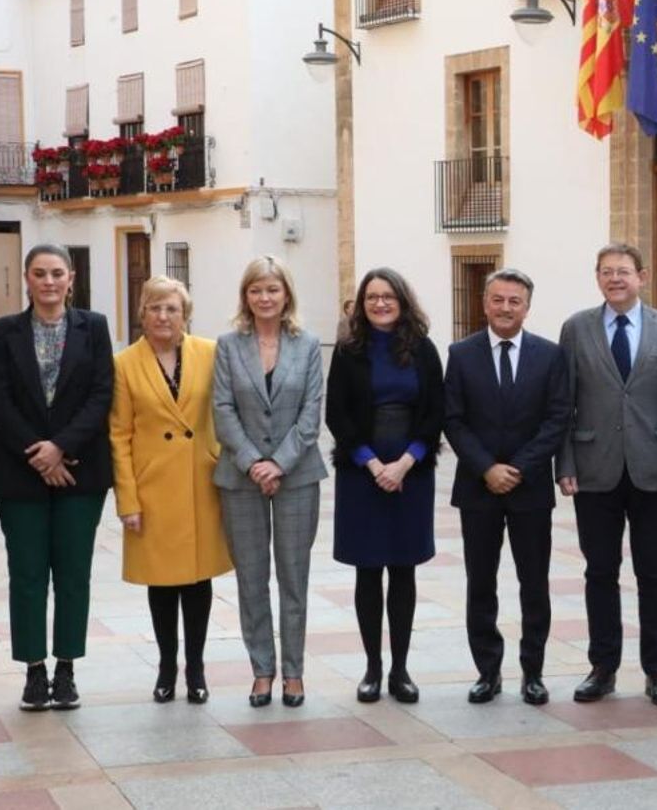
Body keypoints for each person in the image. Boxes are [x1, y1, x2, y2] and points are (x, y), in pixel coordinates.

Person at [556, 244, 657, 707]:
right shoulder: (576, 329)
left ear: (643, 276)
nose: (616, 279)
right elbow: (563, 403)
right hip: (595, 470)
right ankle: (603, 667)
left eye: (624, 272)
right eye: (607, 272)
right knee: (600, 572)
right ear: (597, 278)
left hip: (656, 470)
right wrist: (565, 463)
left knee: (655, 573)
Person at [0, 244, 114, 711]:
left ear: (71, 277)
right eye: (39, 273)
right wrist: (40, 454)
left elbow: (102, 394)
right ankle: (34, 671)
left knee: (74, 574)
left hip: (82, 471)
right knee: (27, 575)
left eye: (57, 273)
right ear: (26, 278)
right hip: (19, 475)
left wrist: (62, 447)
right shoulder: (2, 332)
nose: (49, 282)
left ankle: (66, 668)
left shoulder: (94, 327)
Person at [444, 268, 570, 706]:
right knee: (481, 583)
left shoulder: (551, 356)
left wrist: (516, 468)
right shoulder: (460, 354)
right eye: (498, 299)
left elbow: (557, 420)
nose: (505, 308)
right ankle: (488, 671)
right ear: (484, 303)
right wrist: (486, 468)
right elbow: (453, 419)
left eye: (514, 301)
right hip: (478, 489)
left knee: (533, 582)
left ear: (527, 307)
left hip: (530, 488)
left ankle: (532, 672)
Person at [110, 275, 232, 705]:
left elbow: (227, 412)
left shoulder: (211, 353)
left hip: (200, 483)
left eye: (172, 309)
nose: (163, 316)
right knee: (161, 582)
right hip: (152, 488)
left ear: (186, 315)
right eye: (155, 308)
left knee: (197, 580)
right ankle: (166, 666)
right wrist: (127, 499)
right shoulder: (125, 363)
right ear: (141, 313)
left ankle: (196, 667)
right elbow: (119, 435)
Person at [213, 256, 327, 708]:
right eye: (256, 290)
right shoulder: (228, 345)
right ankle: (262, 670)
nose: (264, 298)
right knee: (252, 579)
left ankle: (293, 673)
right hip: (240, 479)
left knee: (293, 578)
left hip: (297, 476)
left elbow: (310, 414)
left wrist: (277, 463)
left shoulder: (309, 344)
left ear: (286, 296)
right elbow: (222, 409)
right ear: (246, 296)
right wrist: (252, 462)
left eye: (272, 290)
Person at [327, 268, 444, 705]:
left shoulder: (423, 349)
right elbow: (336, 414)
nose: (379, 303)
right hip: (362, 472)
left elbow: (436, 412)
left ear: (402, 299)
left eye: (387, 296)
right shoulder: (348, 350)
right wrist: (373, 464)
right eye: (371, 297)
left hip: (411, 471)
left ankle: (400, 669)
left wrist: (405, 463)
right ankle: (372, 669)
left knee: (403, 569)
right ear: (361, 303)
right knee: (368, 569)